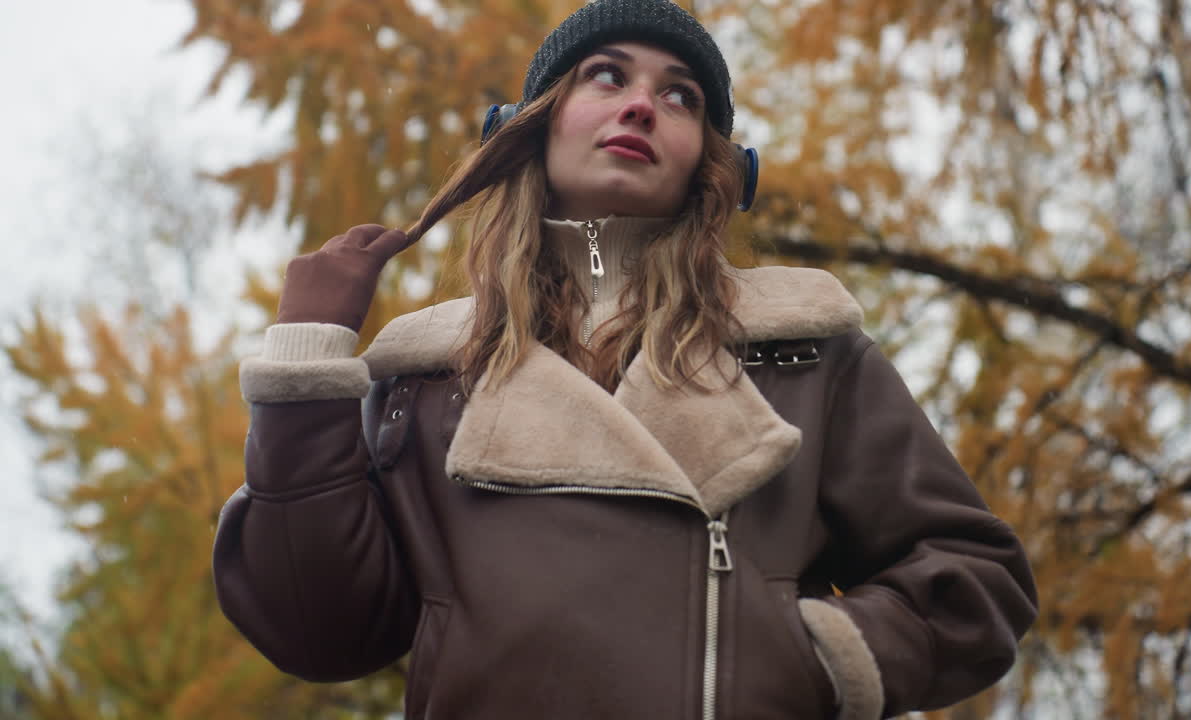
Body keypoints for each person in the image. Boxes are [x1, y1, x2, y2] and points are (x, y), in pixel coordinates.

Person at [213, 0, 1038, 718]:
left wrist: (814, 659)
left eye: (680, 96)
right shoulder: (425, 381)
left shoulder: (806, 354)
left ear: (715, 166)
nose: (642, 105)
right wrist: (306, 364)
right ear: (527, 127)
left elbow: (973, 581)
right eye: (606, 77)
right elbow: (321, 629)